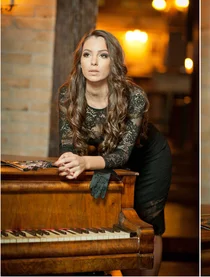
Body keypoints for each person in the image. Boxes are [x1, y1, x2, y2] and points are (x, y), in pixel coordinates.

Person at [54, 29, 172, 276]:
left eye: (103, 55)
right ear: (80, 61)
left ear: (114, 62)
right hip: (103, 156)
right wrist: (68, 160)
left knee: (147, 223)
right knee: (117, 221)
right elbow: (68, 144)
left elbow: (122, 155)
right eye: (87, 55)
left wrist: (85, 161)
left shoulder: (134, 96)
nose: (94, 62)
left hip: (148, 157)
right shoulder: (68, 93)